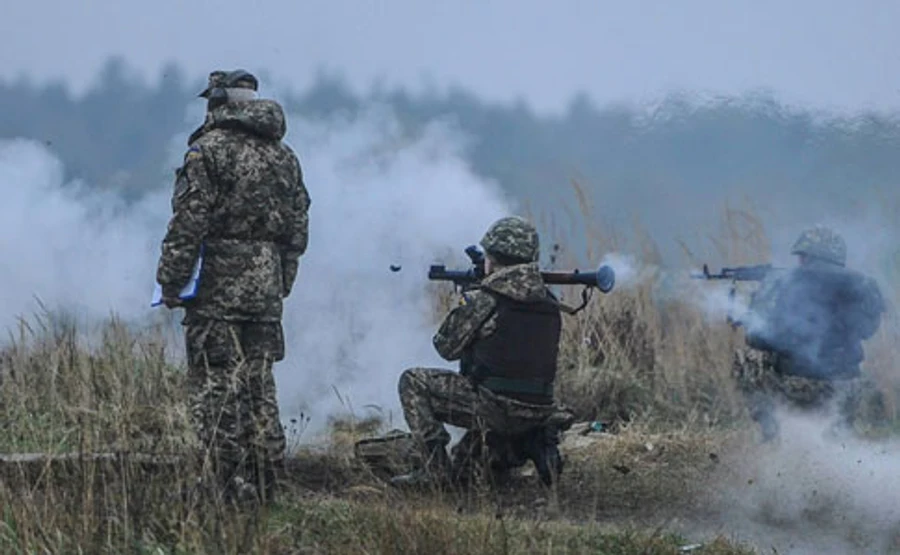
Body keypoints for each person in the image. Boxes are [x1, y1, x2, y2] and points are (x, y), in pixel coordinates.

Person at [155, 69, 311, 504]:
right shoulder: (285, 156)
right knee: (260, 386)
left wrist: (170, 279)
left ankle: (223, 487)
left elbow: (189, 222)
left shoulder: (207, 152)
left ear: (218, 102)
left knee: (215, 387)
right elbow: (298, 227)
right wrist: (282, 280)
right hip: (266, 290)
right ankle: (268, 485)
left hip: (216, 290)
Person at [390, 216, 574, 488]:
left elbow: (445, 347)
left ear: (493, 260)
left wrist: (465, 304)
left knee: (413, 381)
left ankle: (432, 471)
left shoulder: (485, 299)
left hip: (496, 407)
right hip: (540, 409)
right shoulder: (548, 300)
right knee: (466, 468)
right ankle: (529, 444)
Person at [732, 225, 885, 441]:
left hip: (796, 384)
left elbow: (760, 338)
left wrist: (751, 308)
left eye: (802, 256)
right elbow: (868, 331)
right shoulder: (862, 285)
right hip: (846, 386)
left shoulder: (788, 283)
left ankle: (771, 432)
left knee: (746, 359)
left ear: (809, 256)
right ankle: (840, 429)